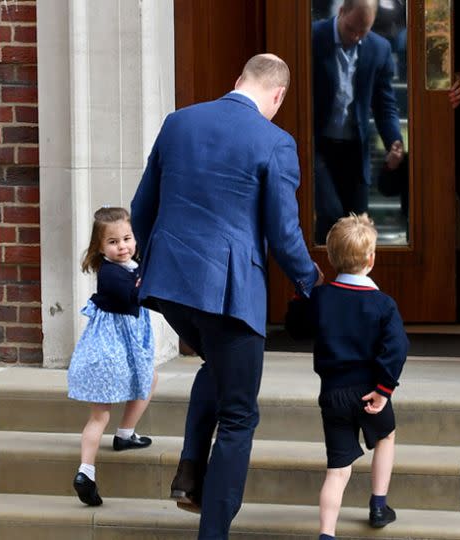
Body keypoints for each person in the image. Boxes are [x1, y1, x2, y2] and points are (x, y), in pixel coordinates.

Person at [131, 54, 324, 538]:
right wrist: (312, 283)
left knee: (213, 366)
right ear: (277, 96)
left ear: (237, 81)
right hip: (231, 293)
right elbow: (283, 234)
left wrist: (143, 269)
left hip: (170, 284)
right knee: (239, 416)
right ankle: (212, 532)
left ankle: (189, 474)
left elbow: (140, 209)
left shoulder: (179, 122)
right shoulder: (275, 141)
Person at [285, 213, 408, 539]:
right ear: (371, 259)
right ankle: (379, 505)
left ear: (330, 257)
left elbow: (296, 328)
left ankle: (327, 533)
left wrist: (303, 293)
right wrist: (384, 388)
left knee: (337, 471)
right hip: (370, 390)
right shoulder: (383, 304)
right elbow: (397, 348)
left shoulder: (321, 299)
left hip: (334, 394)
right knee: (385, 437)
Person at [66, 206, 157, 507]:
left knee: (103, 413)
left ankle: (96, 461)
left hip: (113, 352)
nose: (122, 247)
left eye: (127, 239)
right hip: (111, 354)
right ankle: (96, 461)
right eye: (113, 242)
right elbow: (134, 296)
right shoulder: (109, 274)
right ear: (100, 247)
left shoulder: (131, 265)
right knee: (140, 384)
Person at [312, 0, 404, 243]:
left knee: (357, 227)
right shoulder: (313, 36)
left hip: (355, 148)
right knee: (330, 217)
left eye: (362, 32)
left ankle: (351, 280)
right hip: (317, 146)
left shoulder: (378, 48)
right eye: (351, 29)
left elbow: (385, 105)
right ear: (341, 12)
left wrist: (394, 142)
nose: (355, 36)